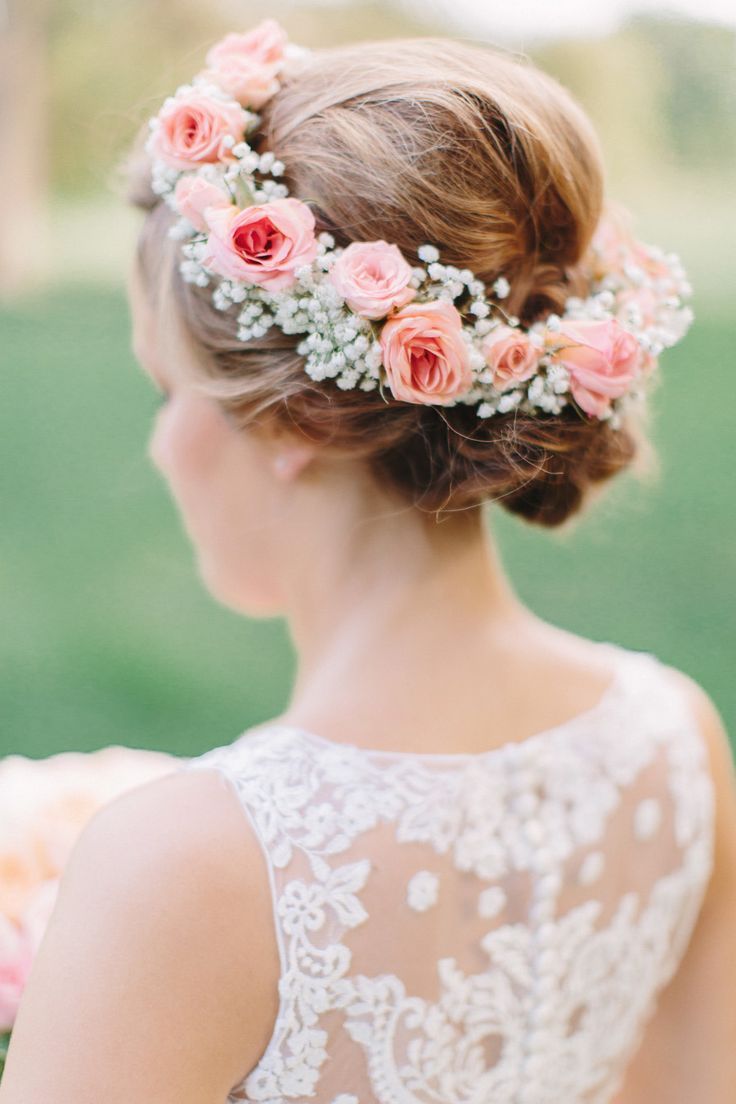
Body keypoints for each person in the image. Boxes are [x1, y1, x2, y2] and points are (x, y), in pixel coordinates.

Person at [1, 23, 734, 1104]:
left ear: (297, 416)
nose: (160, 448)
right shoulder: (672, 742)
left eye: (170, 392)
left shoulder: (185, 868)